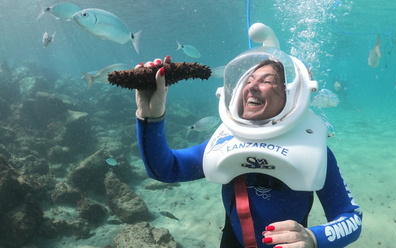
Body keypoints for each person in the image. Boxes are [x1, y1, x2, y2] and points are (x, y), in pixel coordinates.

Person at [135, 46, 362, 248]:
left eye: (266, 81)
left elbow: (350, 217)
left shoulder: (311, 150)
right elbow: (166, 169)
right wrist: (150, 117)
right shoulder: (226, 141)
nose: (251, 86)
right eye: (249, 80)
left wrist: (313, 239)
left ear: (290, 96)